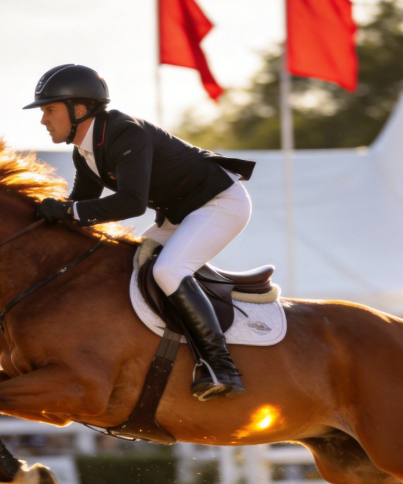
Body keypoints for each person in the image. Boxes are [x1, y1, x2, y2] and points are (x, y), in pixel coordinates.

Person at [25, 64, 255, 401]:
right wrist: (41, 214)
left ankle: (222, 367)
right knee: (130, 264)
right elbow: (81, 204)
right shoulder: (83, 150)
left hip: (219, 203)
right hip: (180, 213)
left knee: (168, 269)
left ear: (79, 109)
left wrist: (69, 211)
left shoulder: (123, 132)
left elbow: (131, 203)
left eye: (49, 109)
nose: (43, 120)